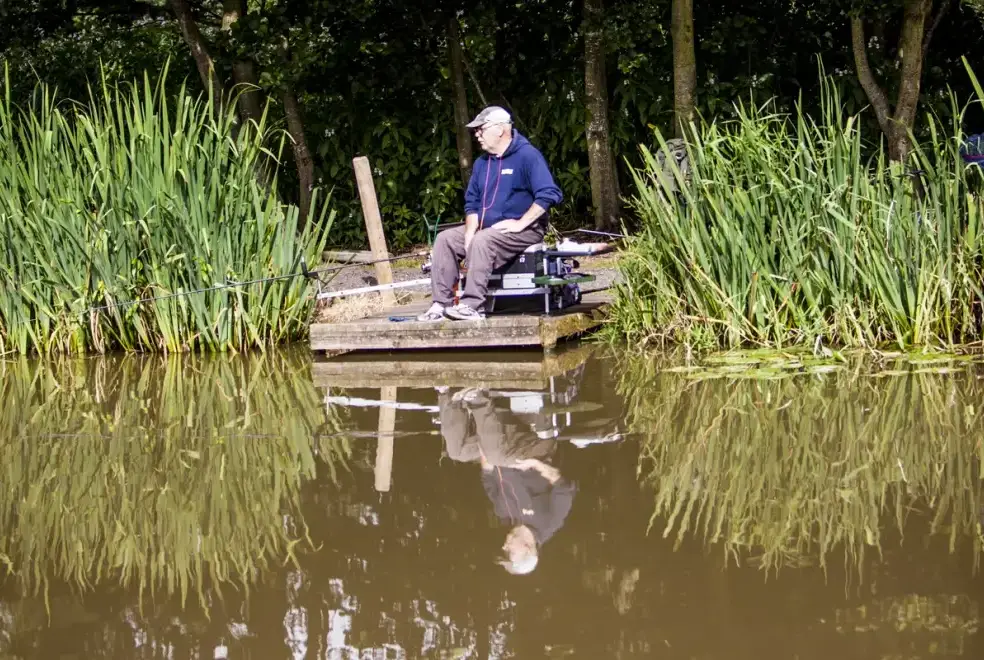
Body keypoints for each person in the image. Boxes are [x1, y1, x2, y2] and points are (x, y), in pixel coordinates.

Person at [417, 106, 564, 321]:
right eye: (475, 131)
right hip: (488, 229)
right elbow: (472, 203)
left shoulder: (528, 156)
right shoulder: (481, 163)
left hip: (525, 231)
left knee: (483, 240)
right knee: (445, 238)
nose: (477, 135)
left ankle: (471, 305)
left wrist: (520, 223)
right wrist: (469, 234)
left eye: (481, 129)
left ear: (500, 129)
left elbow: (549, 194)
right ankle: (440, 304)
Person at [438, 386, 576, 575]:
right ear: (528, 548)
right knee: (496, 456)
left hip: (502, 452)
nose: (505, 545)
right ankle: (478, 398)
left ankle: (449, 396)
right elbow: (565, 488)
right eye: (509, 551)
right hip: (535, 451)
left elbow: (490, 484)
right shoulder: (549, 523)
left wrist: (485, 460)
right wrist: (537, 464)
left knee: (458, 452)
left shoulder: (506, 519)